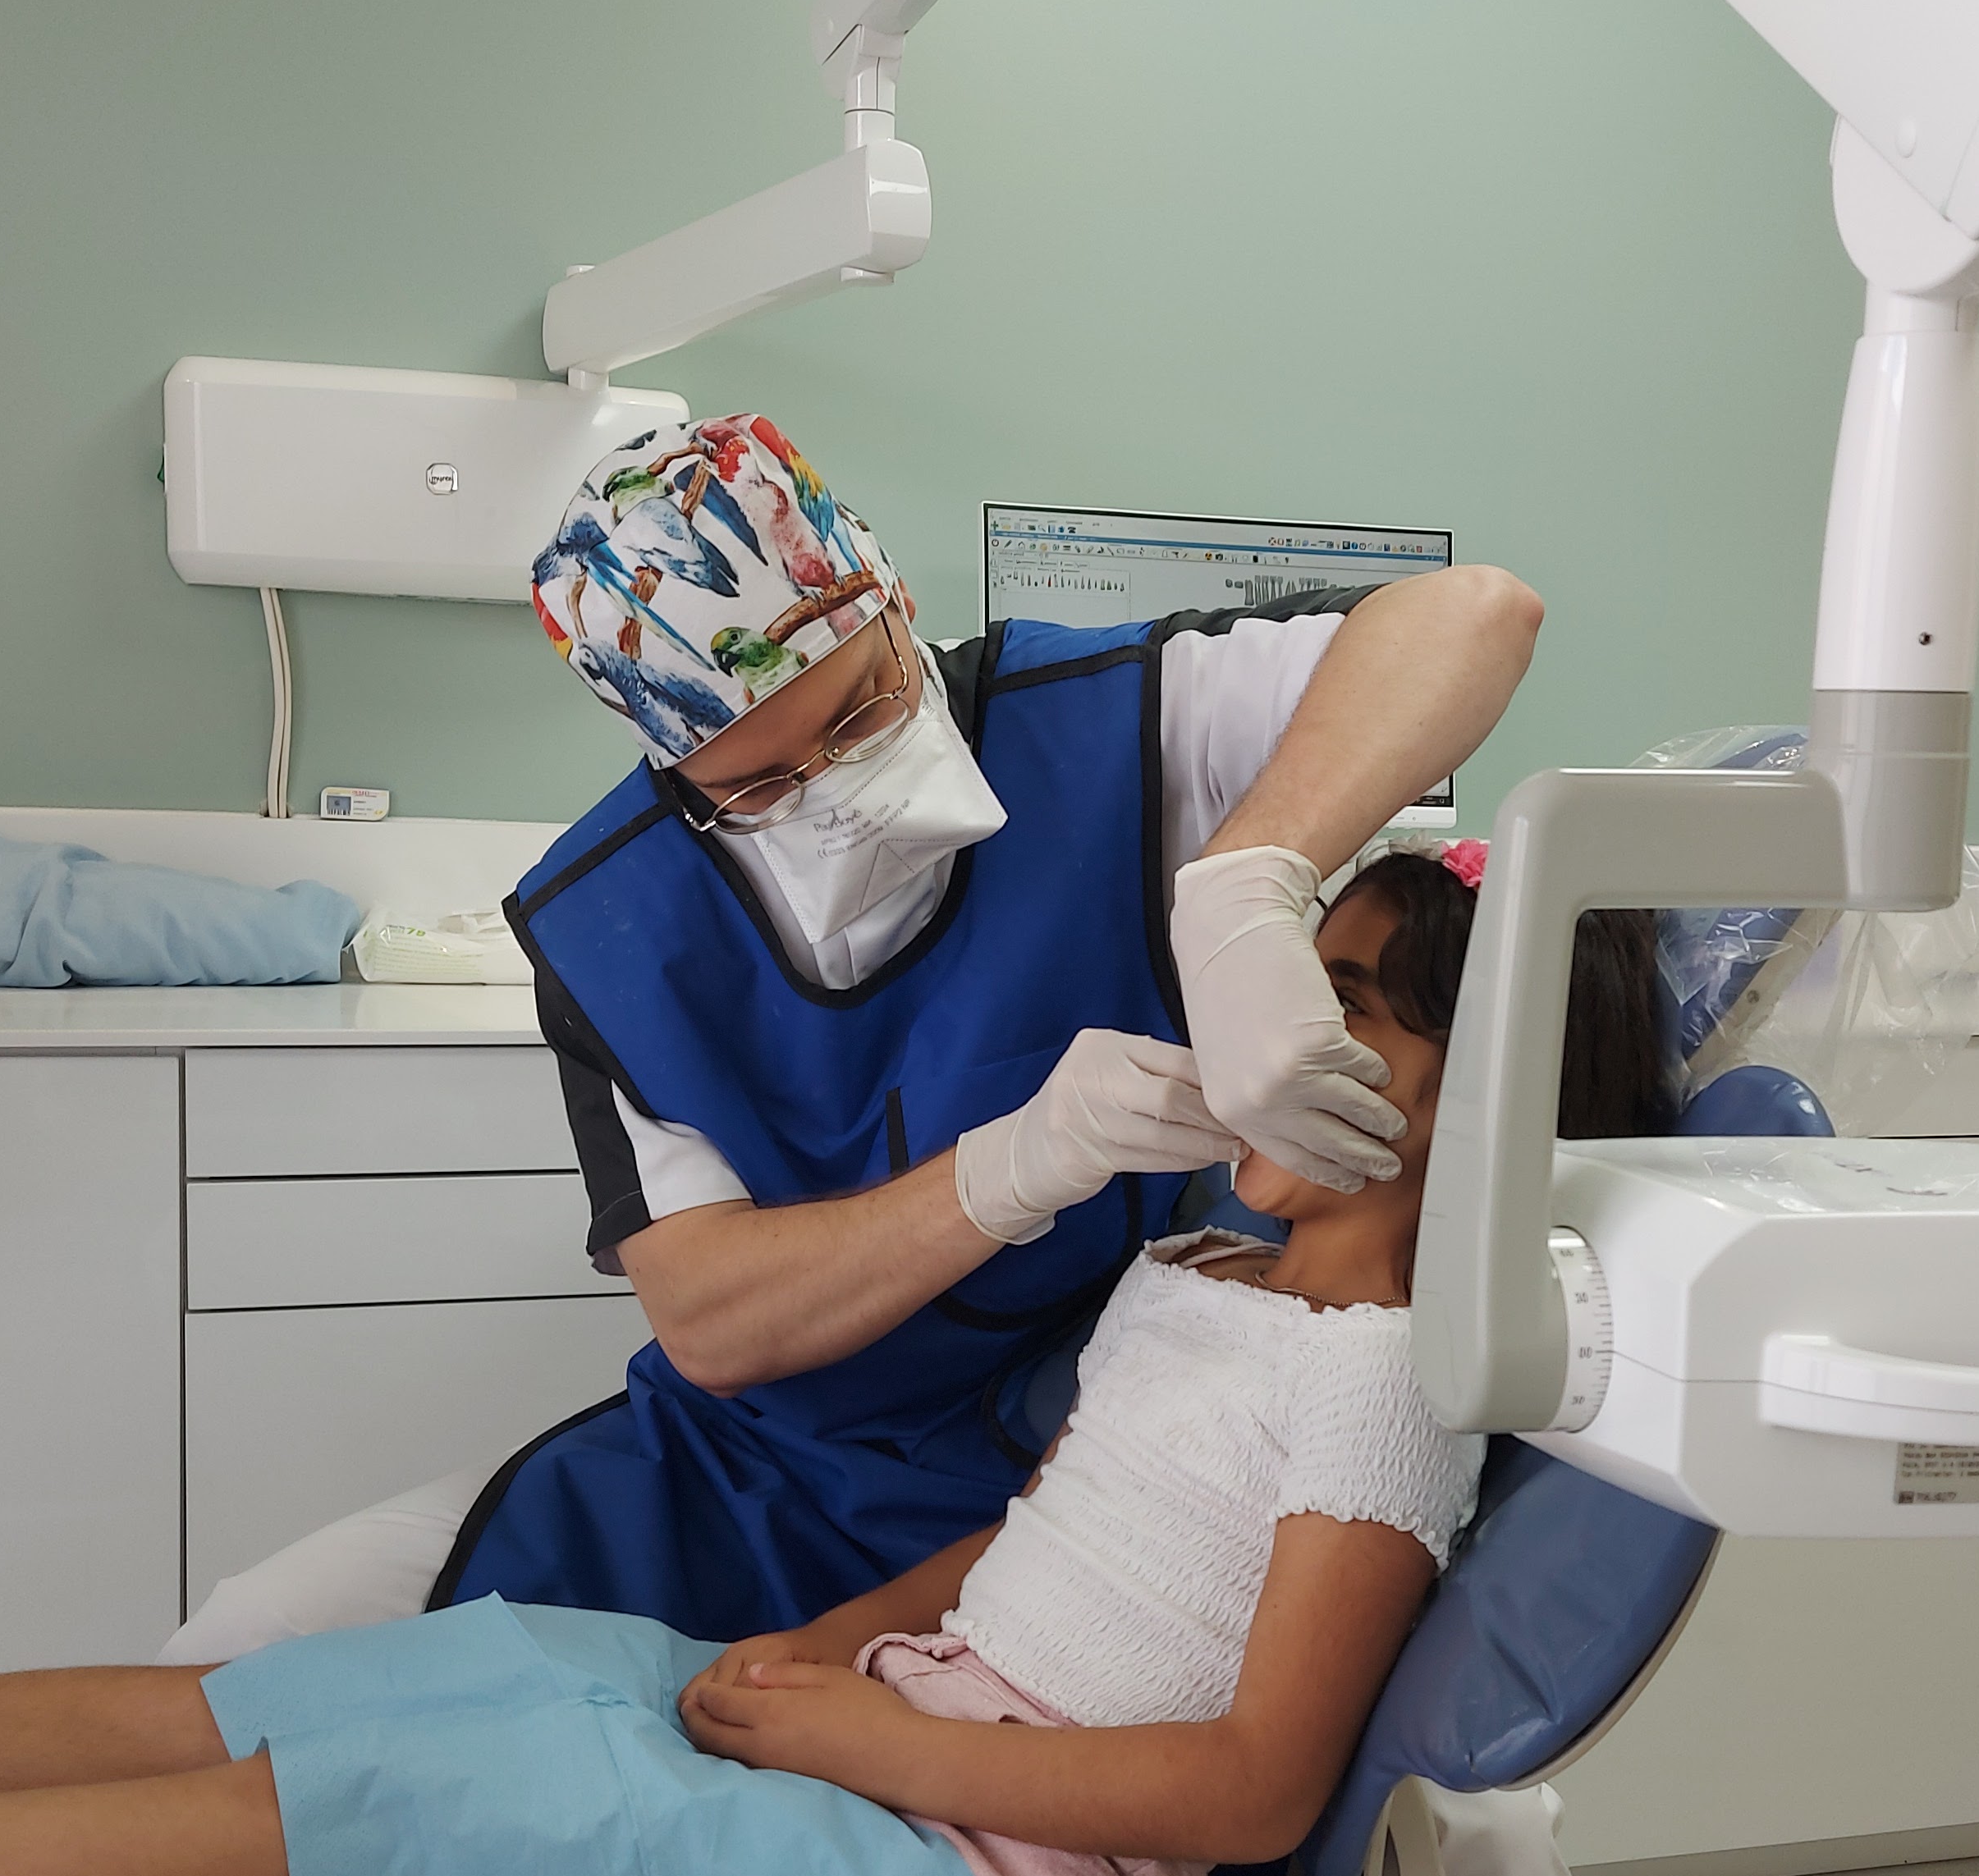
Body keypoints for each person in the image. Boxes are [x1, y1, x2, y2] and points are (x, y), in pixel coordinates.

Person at [0, 858, 1505, 1876]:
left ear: (1485, 1083)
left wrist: (864, 1741)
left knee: (334, 1814)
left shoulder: (1383, 1382)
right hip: (912, 1732)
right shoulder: (1203, 1272)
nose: (1280, 1037)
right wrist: (826, 1656)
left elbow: (1253, 1792)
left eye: (1354, 1005)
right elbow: (1036, 1539)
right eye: (1285, 987)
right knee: (309, 1691)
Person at [163, 414, 1545, 1668]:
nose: (834, 787)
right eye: (761, 781)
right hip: (749, 1469)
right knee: (250, 1645)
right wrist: (1009, 1169)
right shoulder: (610, 929)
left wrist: (1245, 885)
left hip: (1083, 1455)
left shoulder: (1104, 725)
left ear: (893, 603)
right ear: (674, 773)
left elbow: (1475, 615)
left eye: (861, 712)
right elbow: (713, 1321)